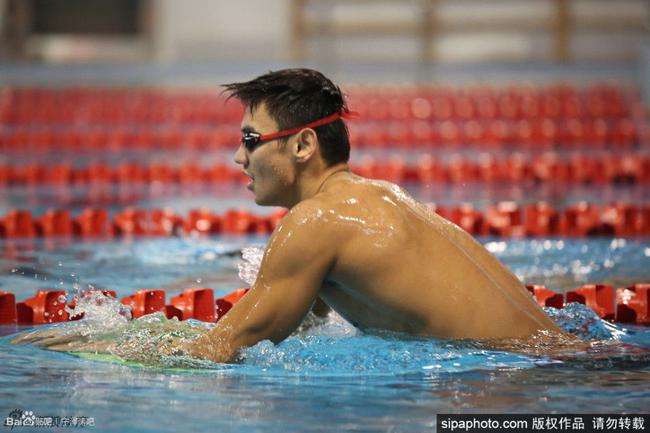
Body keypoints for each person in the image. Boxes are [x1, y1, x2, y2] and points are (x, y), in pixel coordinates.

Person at [14, 68, 566, 362]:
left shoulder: (314, 222)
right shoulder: (379, 197)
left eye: (251, 140)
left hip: (520, 386)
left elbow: (218, 353)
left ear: (303, 146)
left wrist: (110, 346)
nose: (238, 158)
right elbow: (292, 323)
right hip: (566, 358)